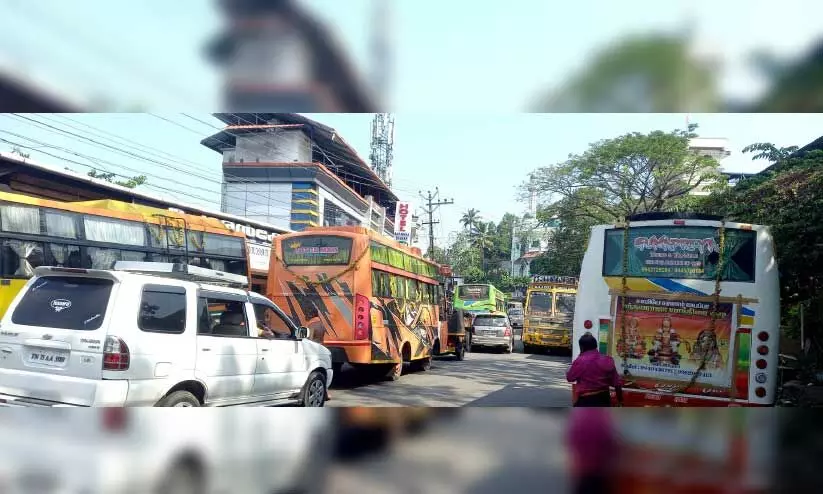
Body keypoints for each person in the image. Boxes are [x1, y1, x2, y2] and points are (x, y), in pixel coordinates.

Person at [567, 332, 623, 407]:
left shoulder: (580, 361)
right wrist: (620, 401)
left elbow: (570, 378)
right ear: (595, 346)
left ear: (582, 347)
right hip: (604, 400)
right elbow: (617, 384)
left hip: (587, 401)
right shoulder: (607, 360)